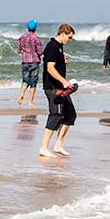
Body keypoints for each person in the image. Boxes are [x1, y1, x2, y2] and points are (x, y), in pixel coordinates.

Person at [38, 24, 76, 158]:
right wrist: (64, 81)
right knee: (56, 115)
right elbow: (50, 69)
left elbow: (55, 64)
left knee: (70, 114)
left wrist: (62, 61)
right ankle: (43, 148)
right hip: (53, 88)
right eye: (69, 37)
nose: (70, 40)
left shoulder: (59, 47)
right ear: (63, 33)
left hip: (60, 87)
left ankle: (58, 145)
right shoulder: (53, 47)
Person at [16, 21, 42, 108]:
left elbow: (18, 50)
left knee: (25, 80)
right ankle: (30, 102)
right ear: (35, 28)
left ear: (27, 28)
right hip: (35, 62)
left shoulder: (21, 37)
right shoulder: (37, 39)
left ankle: (22, 94)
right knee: (33, 83)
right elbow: (40, 52)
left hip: (25, 61)